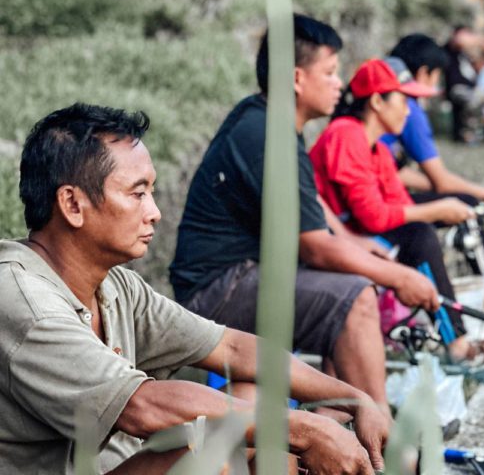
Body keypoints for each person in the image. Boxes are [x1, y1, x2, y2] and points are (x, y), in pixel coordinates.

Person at [1, 103, 388, 474]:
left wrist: (354, 400)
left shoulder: (114, 285)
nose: (154, 211)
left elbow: (231, 347)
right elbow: (143, 406)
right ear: (72, 204)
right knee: (213, 450)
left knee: (256, 404)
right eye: (137, 194)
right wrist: (307, 429)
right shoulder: (23, 301)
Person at [170, 14, 440, 411]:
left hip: (237, 276)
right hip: (217, 288)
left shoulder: (265, 118)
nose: (339, 84)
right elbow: (314, 248)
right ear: (297, 78)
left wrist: (354, 243)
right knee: (356, 298)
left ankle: (334, 419)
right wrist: (400, 276)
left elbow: (309, 201)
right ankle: (379, 432)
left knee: (347, 280)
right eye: (330, 72)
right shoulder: (269, 135)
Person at [310, 58, 484, 362]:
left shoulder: (378, 149)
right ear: (376, 101)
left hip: (357, 234)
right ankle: (457, 343)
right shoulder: (346, 134)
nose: (409, 110)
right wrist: (437, 208)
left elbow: (399, 203)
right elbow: (372, 216)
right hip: (324, 243)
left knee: (429, 227)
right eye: (404, 100)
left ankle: (456, 325)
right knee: (420, 237)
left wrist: (444, 209)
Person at [382, 33, 484, 216]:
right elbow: (442, 182)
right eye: (437, 75)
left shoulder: (382, 98)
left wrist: (432, 183)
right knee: (469, 203)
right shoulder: (408, 109)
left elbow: (392, 172)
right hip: (377, 203)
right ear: (424, 73)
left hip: (376, 192)